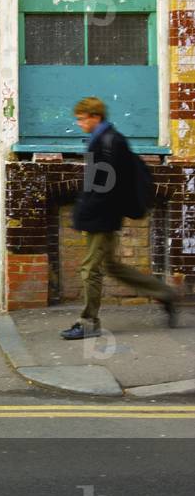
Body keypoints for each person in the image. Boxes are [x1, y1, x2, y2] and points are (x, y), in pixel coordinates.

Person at [60, 97, 179, 340]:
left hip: (102, 215)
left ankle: (88, 322)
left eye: (82, 118)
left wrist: (87, 212)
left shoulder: (108, 143)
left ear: (96, 117)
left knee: (90, 269)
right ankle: (165, 293)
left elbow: (104, 186)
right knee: (111, 266)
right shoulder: (105, 139)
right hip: (102, 213)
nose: (79, 122)